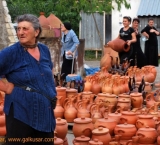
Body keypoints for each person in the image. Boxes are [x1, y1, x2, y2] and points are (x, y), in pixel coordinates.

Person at [0, 14, 57, 145]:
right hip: (20, 113)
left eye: (25, 29)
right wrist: (6, 87)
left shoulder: (44, 49)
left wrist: (50, 90)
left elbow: (49, 70)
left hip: (45, 113)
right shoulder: (11, 53)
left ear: (36, 32)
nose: (20, 32)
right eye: (18, 29)